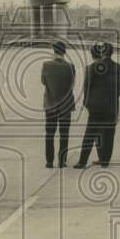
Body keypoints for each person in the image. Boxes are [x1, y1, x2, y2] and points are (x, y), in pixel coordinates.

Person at [74, 42, 120, 169]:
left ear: (101, 52)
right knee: (109, 133)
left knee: (90, 133)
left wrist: (87, 103)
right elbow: (119, 88)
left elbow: (87, 87)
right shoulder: (118, 68)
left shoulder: (92, 67)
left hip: (95, 106)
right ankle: (105, 160)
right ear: (111, 53)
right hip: (111, 104)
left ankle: (82, 161)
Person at [41, 40, 76, 168]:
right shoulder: (70, 67)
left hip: (50, 104)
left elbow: (43, 82)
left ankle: (49, 162)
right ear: (64, 52)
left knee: (50, 134)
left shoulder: (46, 65)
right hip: (66, 105)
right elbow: (72, 85)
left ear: (53, 51)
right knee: (64, 134)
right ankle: (62, 161)